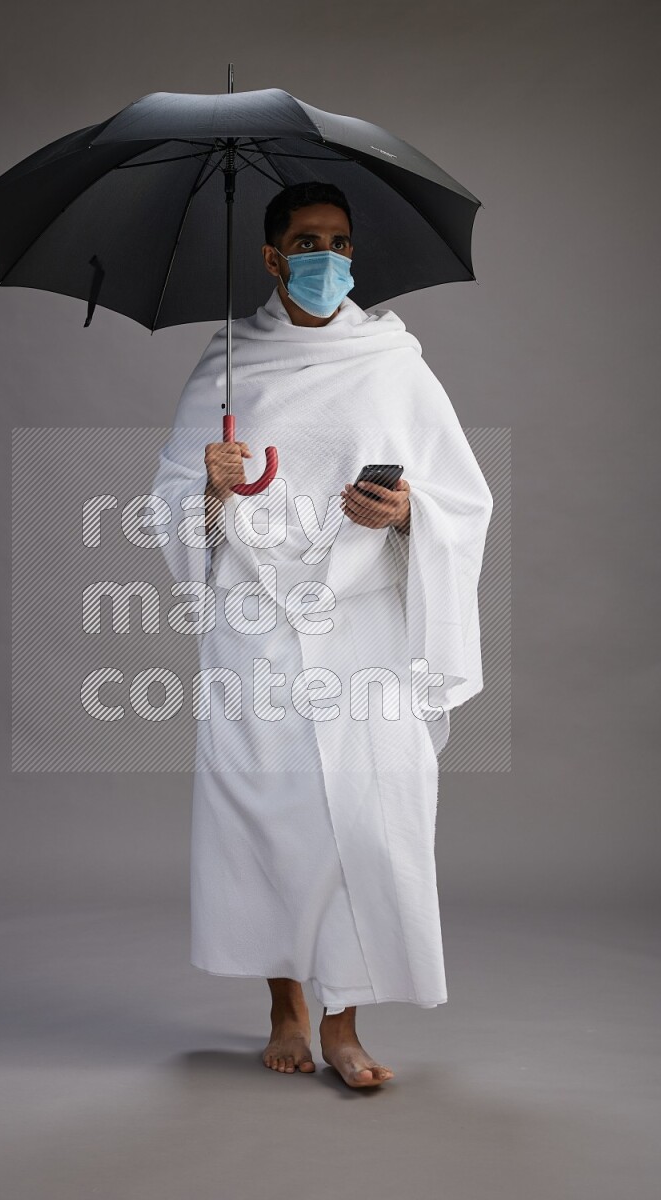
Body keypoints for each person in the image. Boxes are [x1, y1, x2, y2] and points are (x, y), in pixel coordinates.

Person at [151, 181, 493, 1088]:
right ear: (271, 258)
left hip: (365, 629)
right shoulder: (227, 366)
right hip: (258, 629)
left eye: (340, 241)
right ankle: (284, 1004)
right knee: (273, 818)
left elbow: (462, 499)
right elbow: (169, 508)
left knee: (369, 822)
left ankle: (344, 1021)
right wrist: (210, 492)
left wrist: (409, 512)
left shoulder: (394, 363)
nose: (327, 257)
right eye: (307, 242)